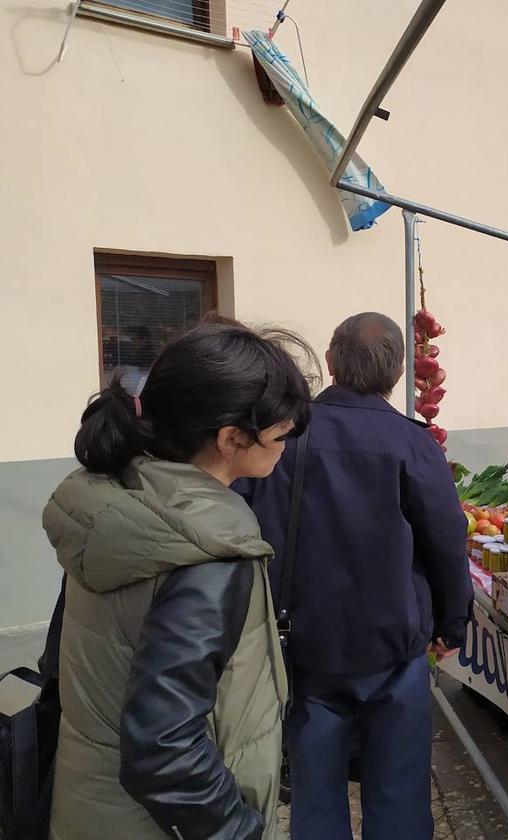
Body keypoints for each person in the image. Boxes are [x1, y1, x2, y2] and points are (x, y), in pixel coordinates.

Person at [42, 323, 314, 840]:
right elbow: (164, 747)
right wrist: (238, 831)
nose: (287, 448)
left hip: (91, 805)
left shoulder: (119, 499)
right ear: (231, 439)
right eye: (281, 435)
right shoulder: (208, 550)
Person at [238, 312, 472, 840]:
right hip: (392, 646)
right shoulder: (412, 443)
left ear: (330, 361)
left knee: (316, 794)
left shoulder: (281, 437)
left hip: (305, 644)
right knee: (399, 791)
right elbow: (446, 540)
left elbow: (246, 529)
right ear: (397, 372)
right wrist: (453, 622)